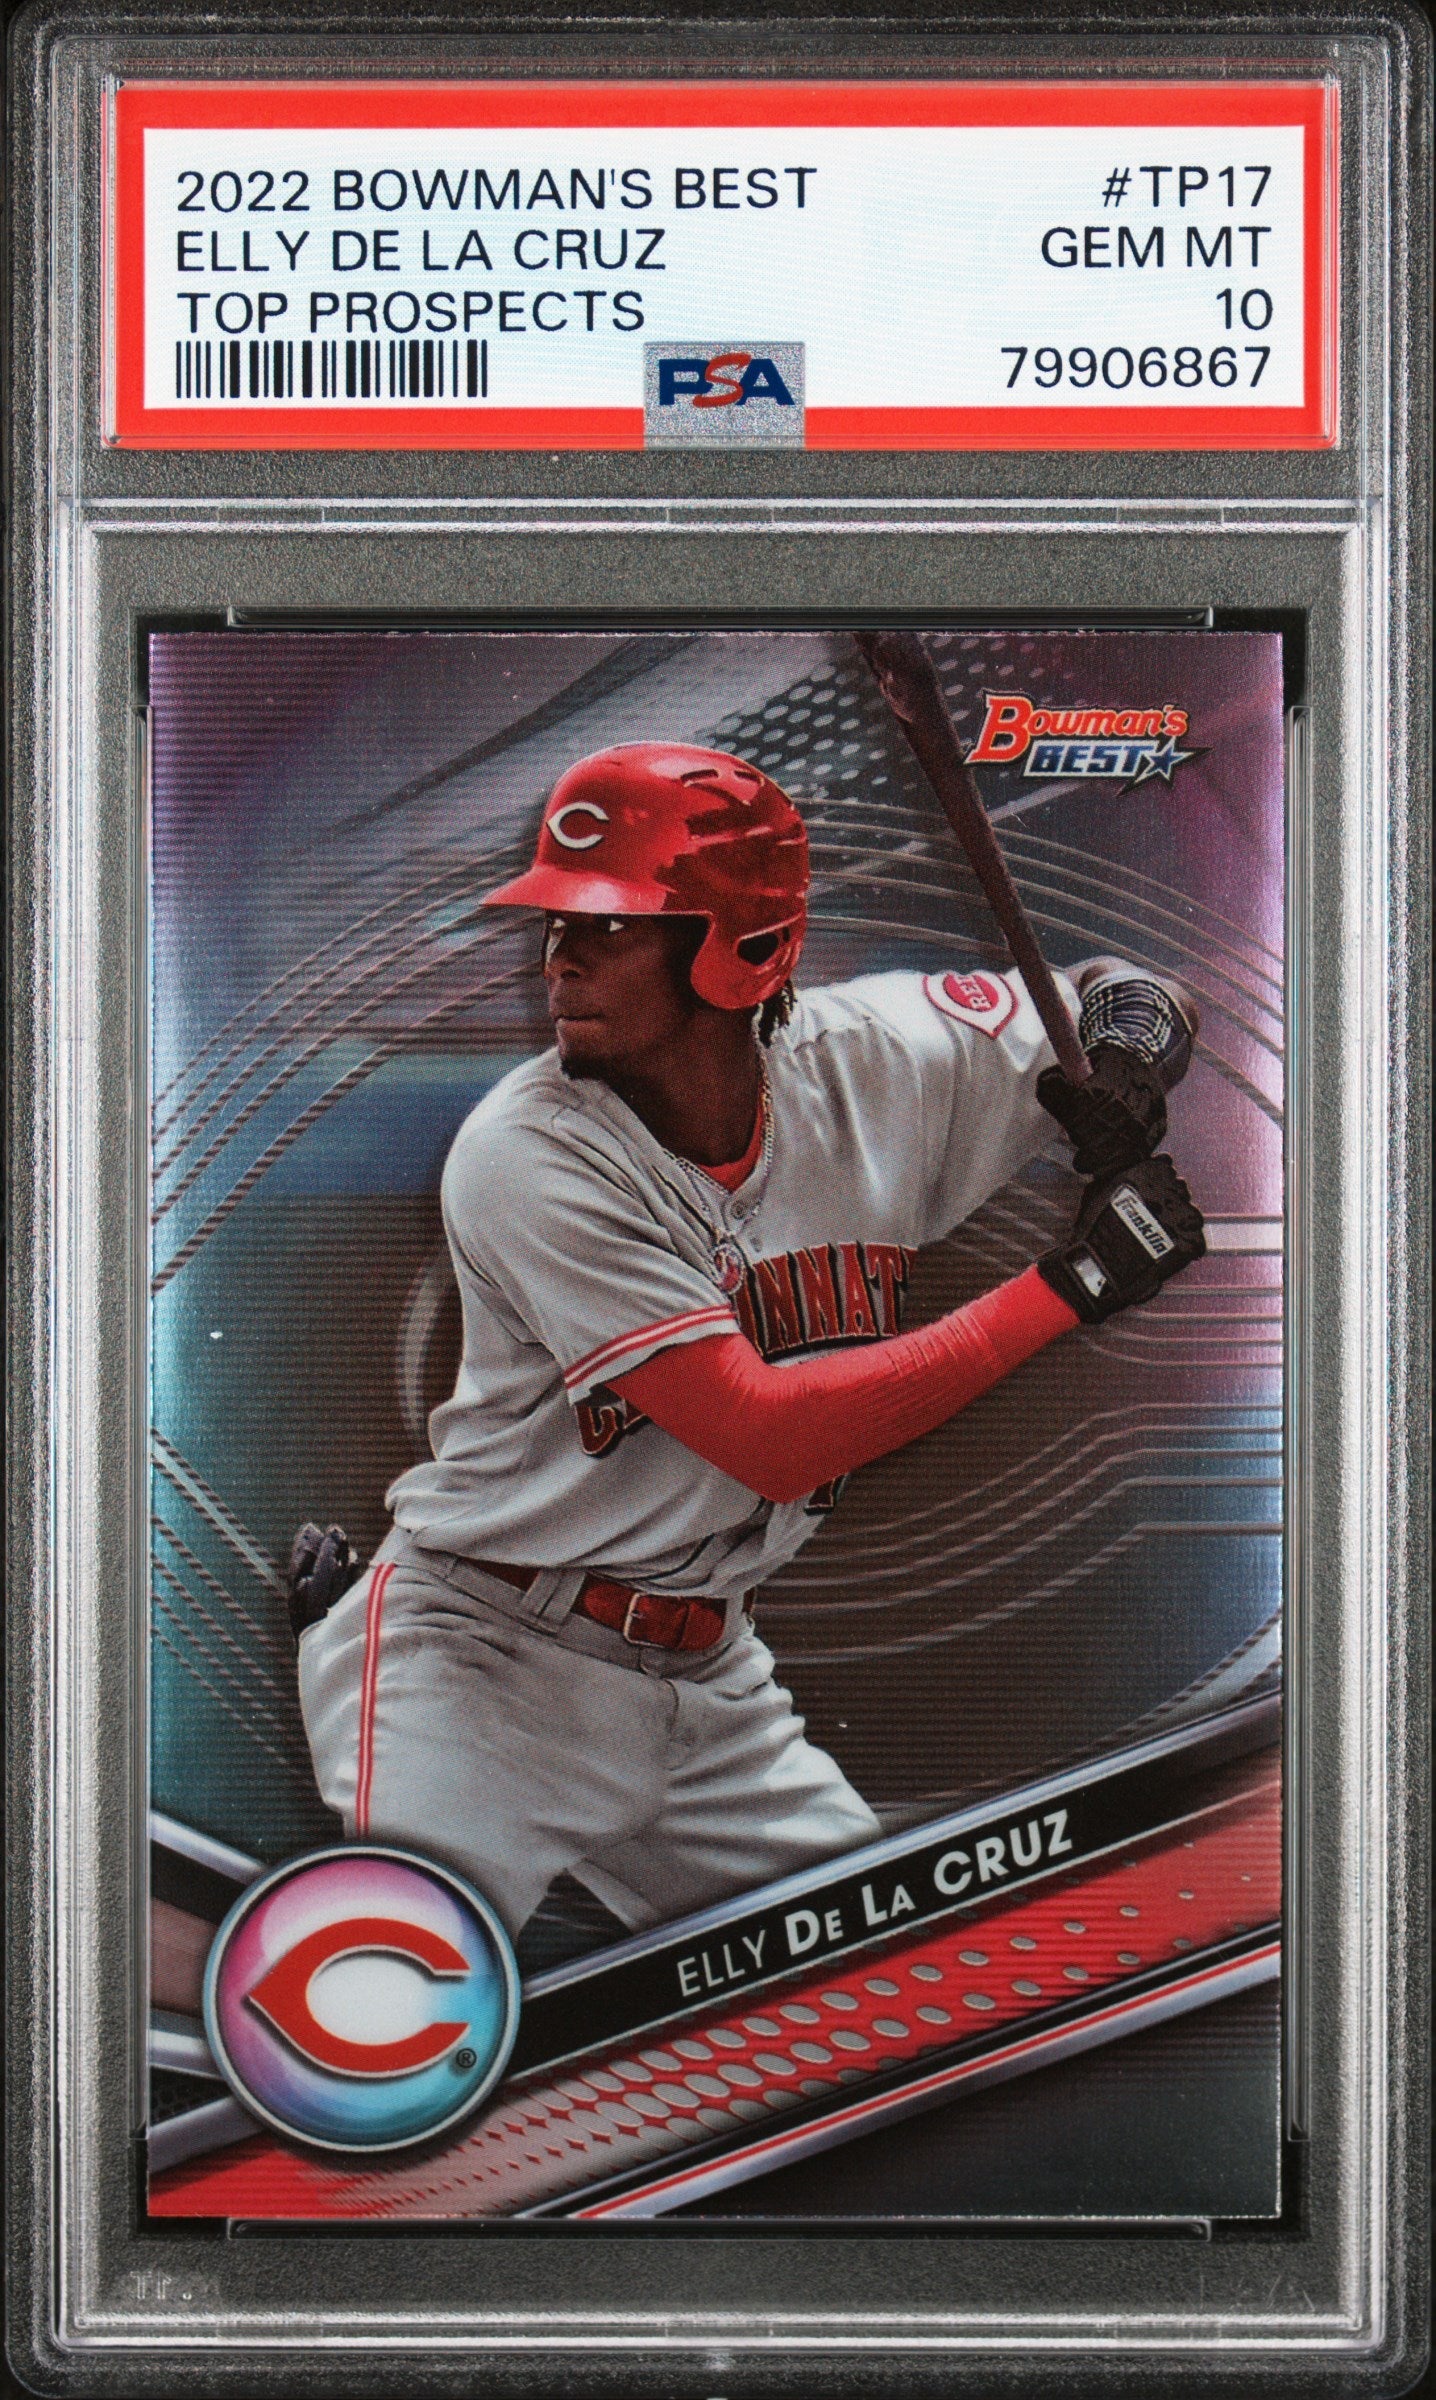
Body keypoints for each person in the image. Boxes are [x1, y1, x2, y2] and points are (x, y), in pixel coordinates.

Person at [294, 741, 1204, 1940]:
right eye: (555, 921)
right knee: (400, 1997)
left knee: (897, 1990)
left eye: (608, 924)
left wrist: (1126, 1067)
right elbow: (769, 1439)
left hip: (707, 1679)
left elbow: (1127, 990)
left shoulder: (878, 1057)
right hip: (480, 1656)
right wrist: (1071, 1285)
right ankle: (359, 1651)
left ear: (745, 947)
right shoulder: (525, 1150)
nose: (558, 956)